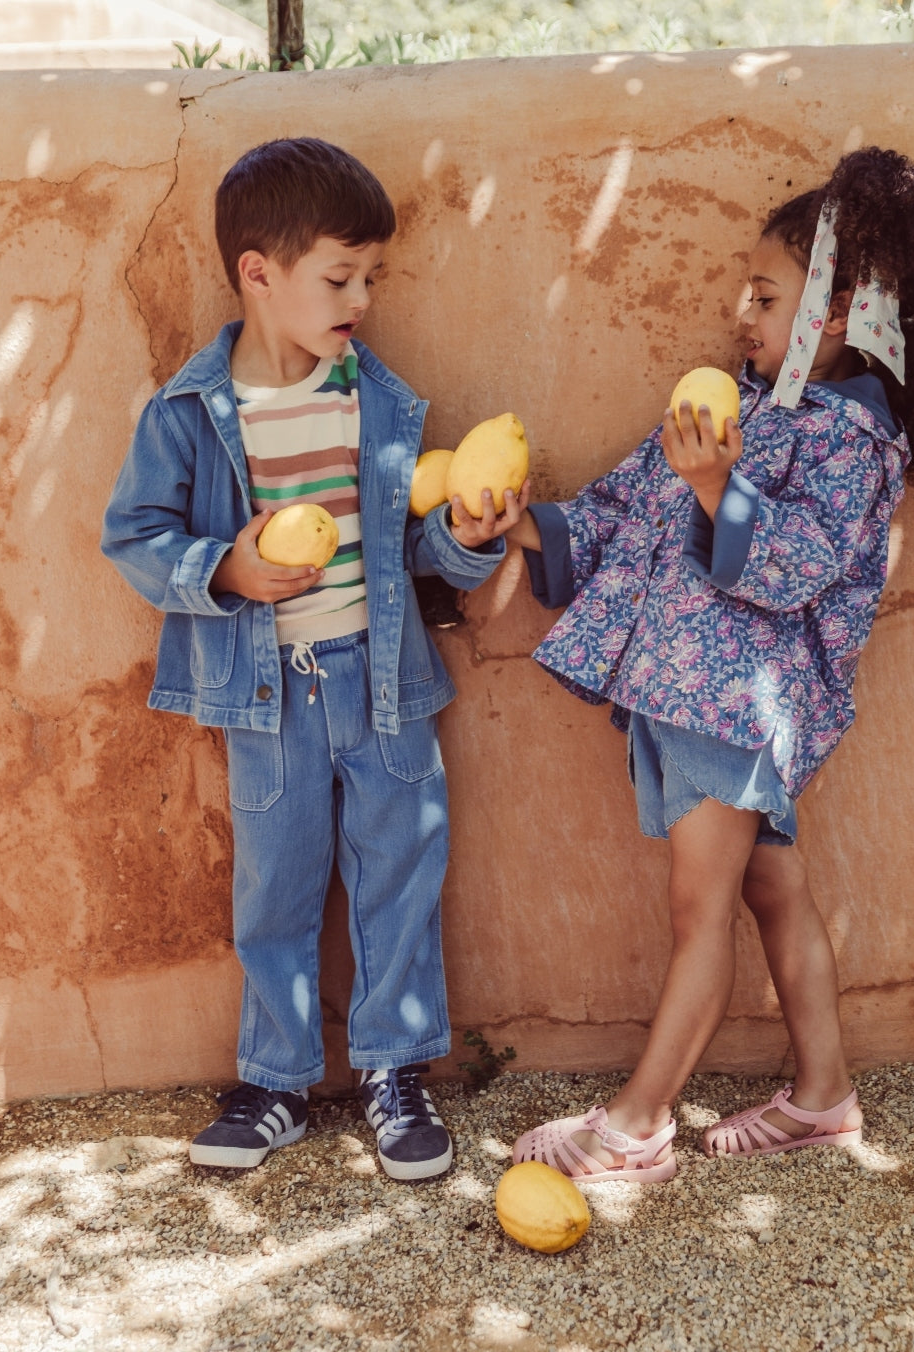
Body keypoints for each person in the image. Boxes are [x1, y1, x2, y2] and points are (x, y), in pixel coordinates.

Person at [506, 146, 914, 1182]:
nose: (742, 309)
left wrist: (717, 489)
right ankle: (824, 1095)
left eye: (765, 291)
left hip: (732, 704)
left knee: (702, 910)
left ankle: (637, 1125)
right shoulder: (740, 405)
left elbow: (795, 564)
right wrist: (531, 528)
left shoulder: (853, 441)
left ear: (831, 312)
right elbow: (627, 505)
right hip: (702, 695)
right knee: (772, 889)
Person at [102, 138, 526, 1179]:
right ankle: (277, 1079)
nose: (362, 300)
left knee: (399, 875)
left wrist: (468, 536)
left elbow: (408, 552)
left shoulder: (372, 402)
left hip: (383, 684)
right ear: (259, 273)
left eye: (371, 277)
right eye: (340, 278)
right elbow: (135, 536)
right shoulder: (194, 412)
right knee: (276, 893)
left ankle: (393, 1069)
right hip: (267, 696)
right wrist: (225, 570)